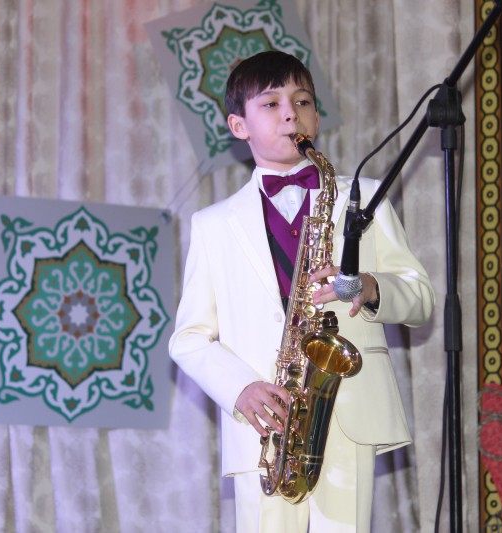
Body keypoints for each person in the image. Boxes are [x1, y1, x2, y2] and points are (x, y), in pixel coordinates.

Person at [168, 50, 434, 532]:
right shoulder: (212, 225)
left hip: (347, 412)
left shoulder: (366, 198)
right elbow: (187, 338)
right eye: (271, 104)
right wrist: (240, 388)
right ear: (238, 125)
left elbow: (420, 298)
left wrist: (369, 285)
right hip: (265, 426)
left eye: (302, 100)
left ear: (316, 116)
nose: (290, 113)